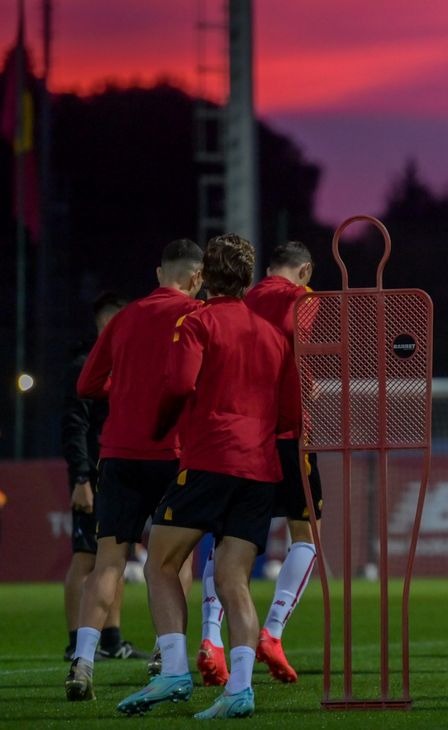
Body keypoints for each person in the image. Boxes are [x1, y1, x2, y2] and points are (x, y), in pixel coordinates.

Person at [116, 234, 296, 719]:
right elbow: (291, 413)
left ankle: (174, 670)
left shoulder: (197, 321)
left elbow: (178, 384)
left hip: (211, 459)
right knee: (235, 580)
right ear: (247, 280)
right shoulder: (273, 335)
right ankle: (240, 689)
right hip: (260, 467)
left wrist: (160, 426)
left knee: (159, 562)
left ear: (205, 277)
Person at [64, 241, 204, 702]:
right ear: (197, 278)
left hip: (120, 454)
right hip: (174, 455)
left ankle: (83, 662)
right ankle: (167, 654)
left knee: (108, 562)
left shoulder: (124, 319)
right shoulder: (197, 316)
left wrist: (123, 390)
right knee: (174, 561)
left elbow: (87, 384)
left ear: (159, 273)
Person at [196, 240, 321, 686]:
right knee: (306, 533)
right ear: (304, 271)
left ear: (267, 270)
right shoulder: (303, 300)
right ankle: (273, 631)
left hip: (242, 434)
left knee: (227, 539)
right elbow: (303, 355)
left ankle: (211, 638)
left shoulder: (242, 300)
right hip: (289, 433)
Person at [61, 292, 142, 663]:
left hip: (116, 471)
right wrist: (81, 478)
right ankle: (76, 642)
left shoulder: (120, 364)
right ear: (109, 321)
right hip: (91, 475)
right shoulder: (84, 365)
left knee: (115, 553)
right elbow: (73, 427)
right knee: (85, 556)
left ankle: (111, 639)